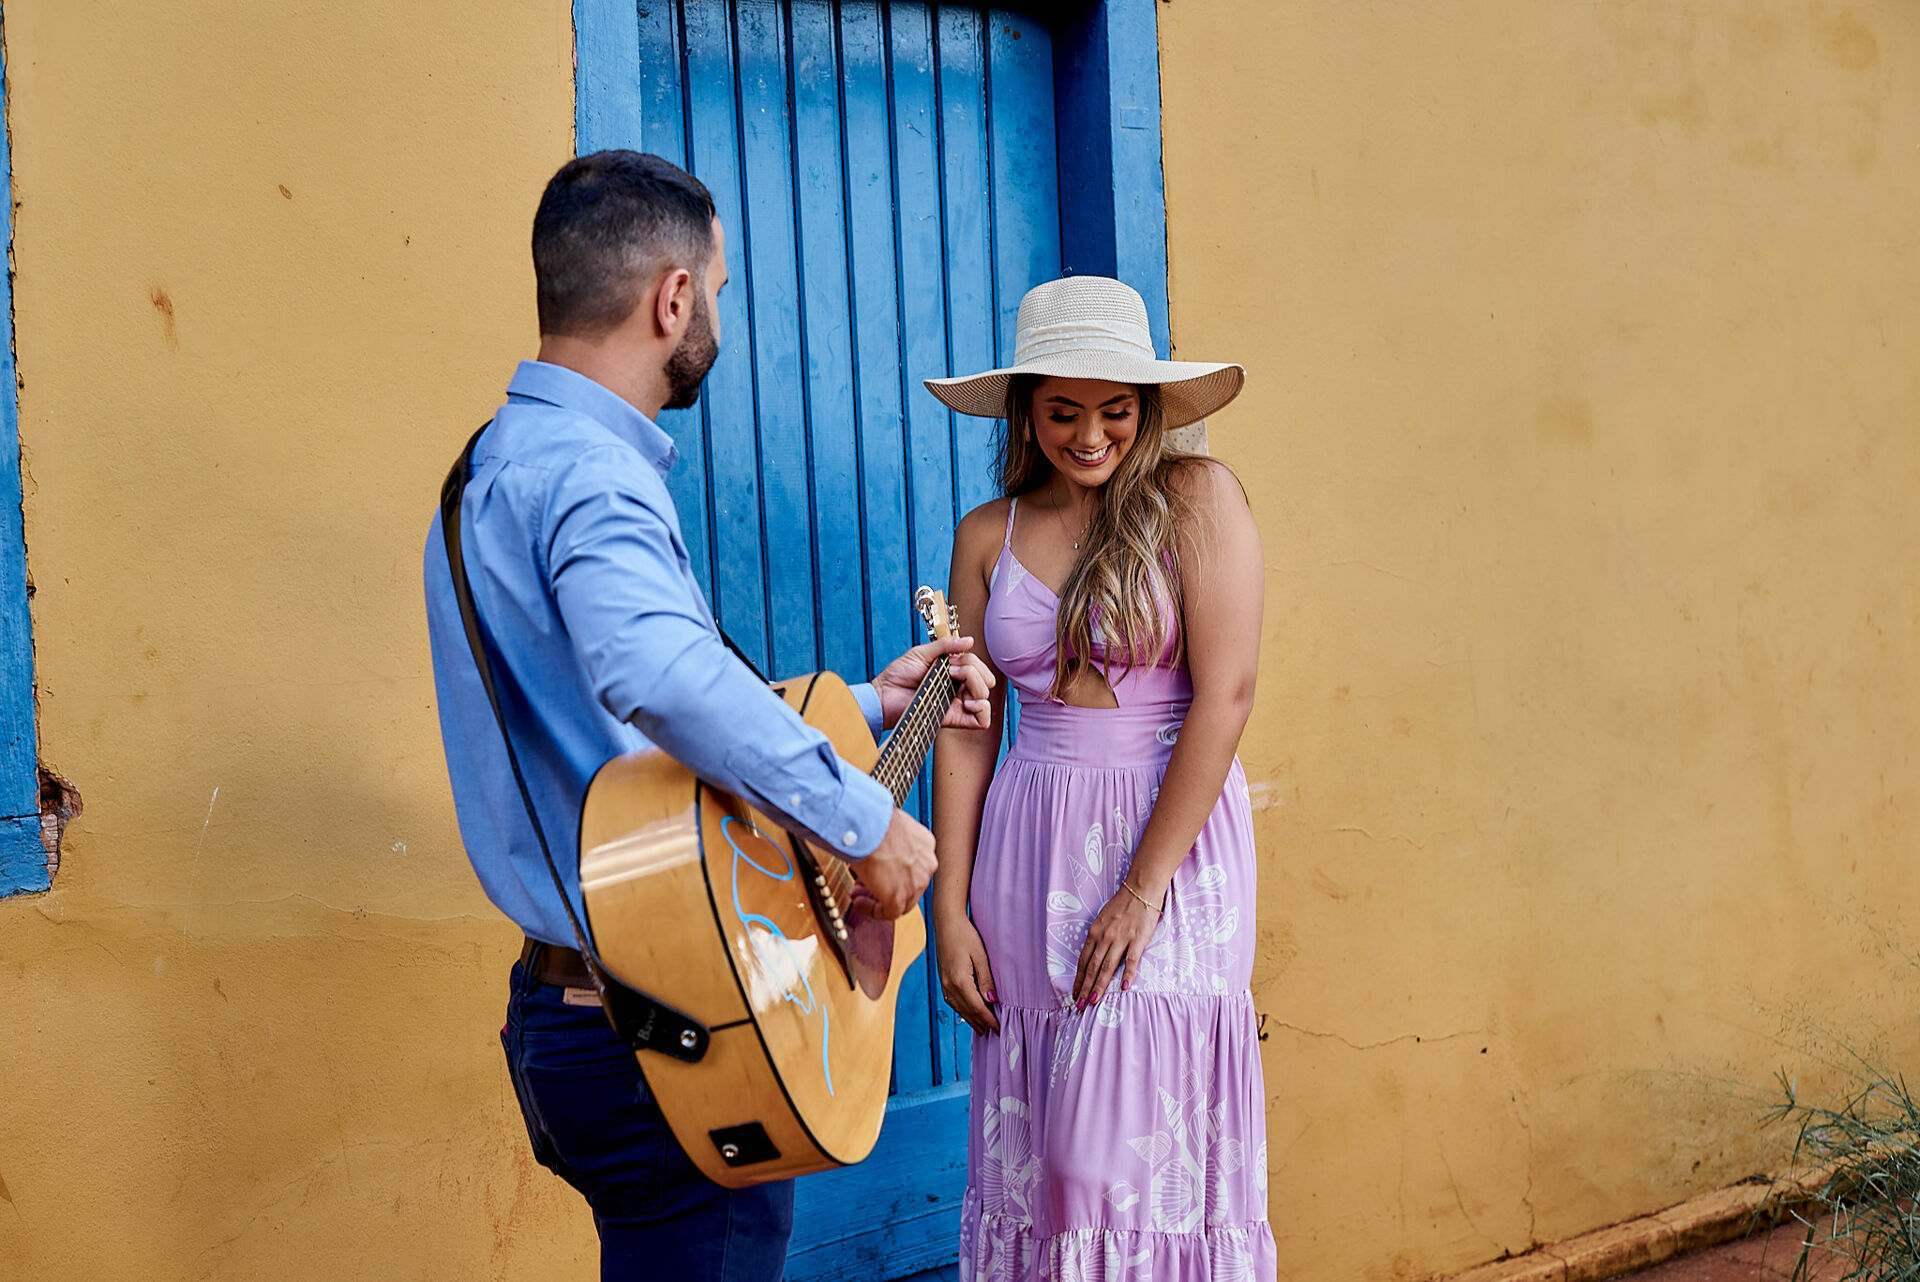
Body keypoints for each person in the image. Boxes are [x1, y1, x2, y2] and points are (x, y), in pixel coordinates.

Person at [422, 150, 994, 1281]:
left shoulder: (493, 463)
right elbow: (657, 674)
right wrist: (858, 819)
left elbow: (622, 729)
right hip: (667, 1021)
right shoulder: (591, 473)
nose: (715, 314)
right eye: (719, 289)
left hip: (577, 1006)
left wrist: (870, 705)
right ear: (671, 296)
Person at [927, 275, 1276, 1280]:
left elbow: (1229, 693)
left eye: (1115, 411)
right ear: (1027, 411)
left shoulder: (1196, 501)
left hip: (1167, 848)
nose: (1090, 436)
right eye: (1064, 412)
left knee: (1120, 1149)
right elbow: (968, 724)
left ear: (1149, 407)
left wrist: (1140, 888)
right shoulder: (986, 536)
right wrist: (949, 906)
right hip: (1028, 849)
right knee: (1053, 1160)